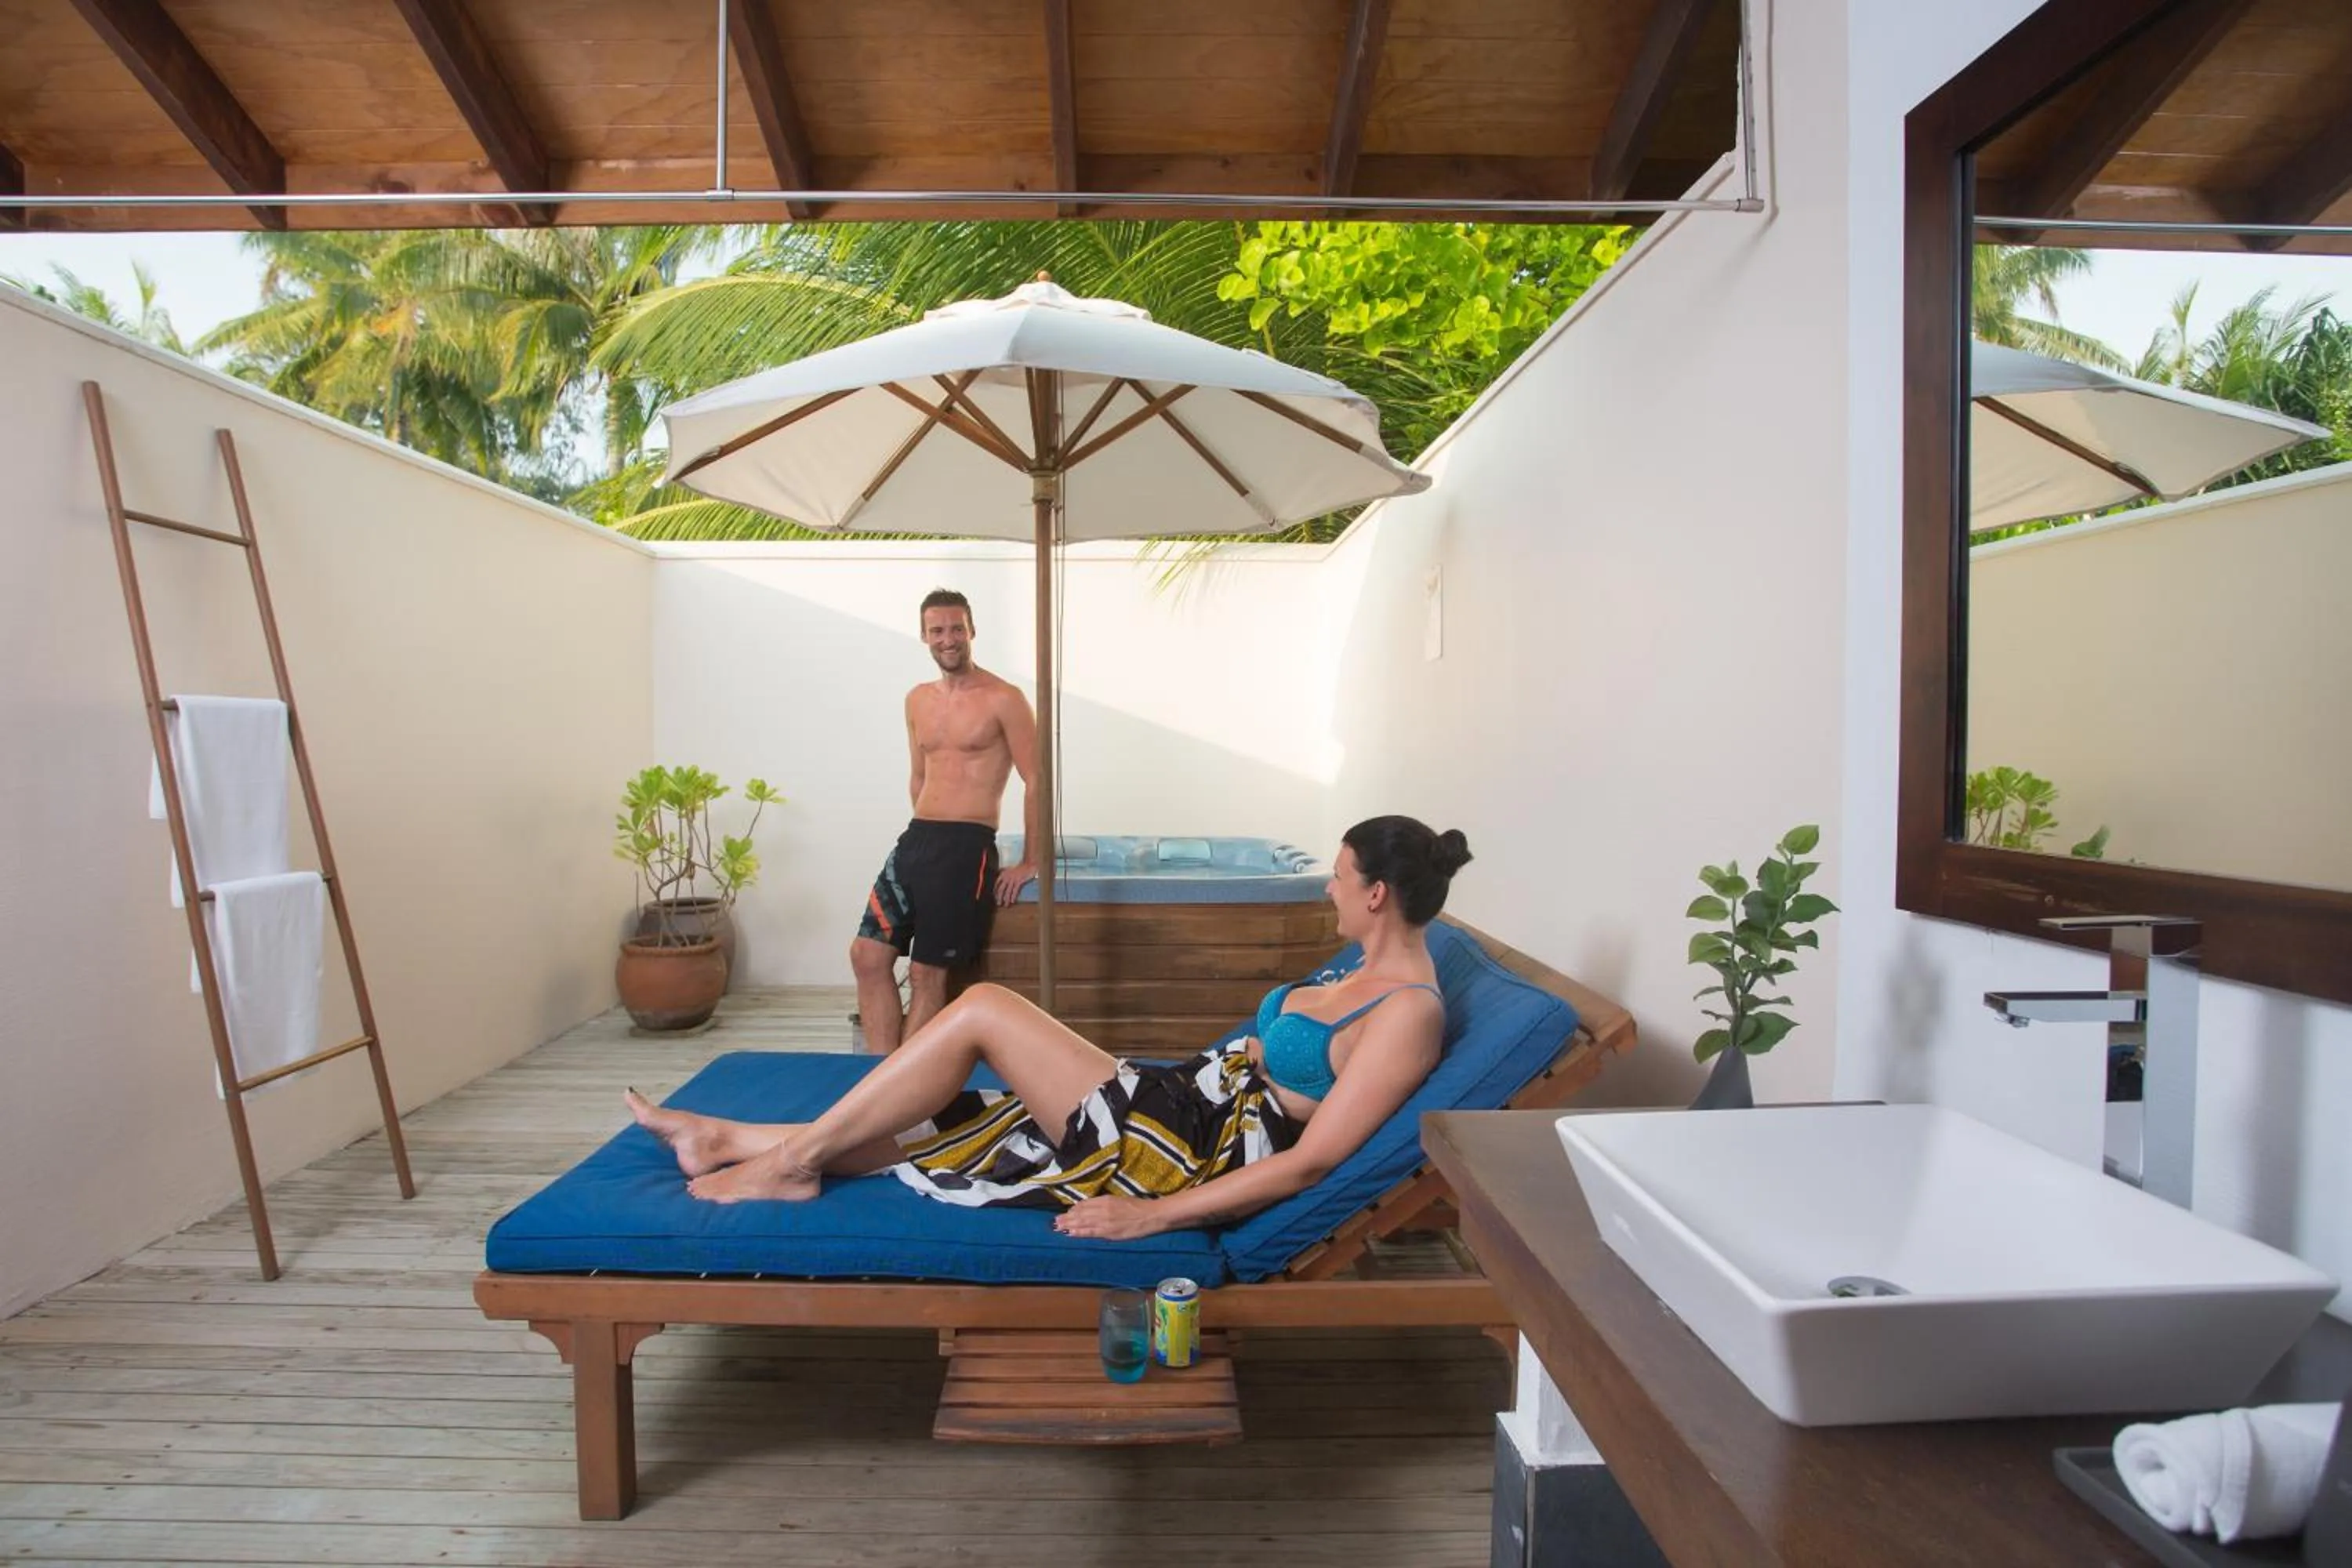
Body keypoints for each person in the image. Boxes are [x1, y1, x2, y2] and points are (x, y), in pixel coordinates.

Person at [626, 816, 1473, 1240]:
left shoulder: (1407, 1014)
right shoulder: (1361, 970)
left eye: (1336, 878)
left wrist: (1152, 1217)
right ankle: (726, 1136)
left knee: (986, 1009)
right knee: (965, 1121)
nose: (1325, 889)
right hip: (1182, 1097)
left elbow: (1315, 1160)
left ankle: (790, 1161)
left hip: (1189, 1148)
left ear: (1375, 895)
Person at [851, 589, 1041, 1054]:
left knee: (926, 974)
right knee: (868, 956)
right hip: (917, 842)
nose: (948, 639)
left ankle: (898, 1096)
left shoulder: (1004, 698)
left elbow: (1037, 779)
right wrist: (922, 828)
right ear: (924, 636)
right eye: (937, 630)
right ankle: (878, 1080)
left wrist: (1031, 860)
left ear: (972, 631)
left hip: (965, 846)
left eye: (957, 628)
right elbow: (919, 775)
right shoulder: (917, 700)